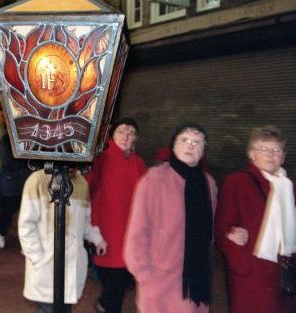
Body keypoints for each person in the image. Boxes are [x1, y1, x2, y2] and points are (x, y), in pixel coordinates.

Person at [124, 123, 217, 313]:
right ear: (173, 145)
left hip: (196, 283)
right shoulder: (154, 179)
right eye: (184, 140)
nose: (190, 145)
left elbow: (209, 233)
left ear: (203, 150)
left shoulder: (208, 184)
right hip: (161, 282)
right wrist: (145, 277)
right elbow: (137, 232)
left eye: (197, 142)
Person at [214, 125, 296, 313]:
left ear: (283, 156)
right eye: (263, 149)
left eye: (276, 150)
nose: (271, 155)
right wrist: (243, 264)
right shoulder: (237, 182)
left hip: (285, 272)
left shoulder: (291, 187)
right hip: (252, 273)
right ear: (251, 154)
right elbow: (222, 227)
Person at [18, 169, 107, 313]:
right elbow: (26, 225)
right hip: (46, 267)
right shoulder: (38, 181)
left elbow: (84, 221)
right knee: (49, 309)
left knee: (65, 308)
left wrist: (97, 239)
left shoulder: (81, 183)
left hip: (72, 268)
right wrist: (37, 258)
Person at [85, 117, 147, 313]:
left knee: (123, 282)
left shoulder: (138, 163)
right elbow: (85, 188)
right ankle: (107, 304)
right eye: (122, 131)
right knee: (114, 283)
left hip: (131, 233)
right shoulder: (100, 158)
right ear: (112, 134)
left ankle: (104, 303)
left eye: (131, 133)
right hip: (105, 232)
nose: (126, 136)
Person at [0, 133, 31, 248]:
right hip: (11, 181)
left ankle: (25, 240)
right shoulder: (6, 138)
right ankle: (1, 232)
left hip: (26, 179)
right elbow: (6, 161)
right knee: (7, 211)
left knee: (27, 213)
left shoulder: (29, 137)